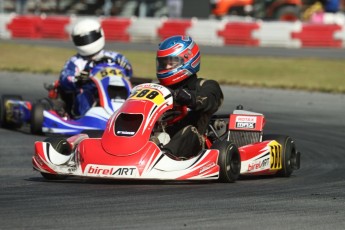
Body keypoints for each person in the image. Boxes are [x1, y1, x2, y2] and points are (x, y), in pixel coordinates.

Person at [155, 35, 224, 159]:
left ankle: (164, 158)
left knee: (189, 131)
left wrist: (189, 98)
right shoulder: (157, 88)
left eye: (171, 62)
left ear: (187, 59)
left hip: (193, 144)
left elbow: (208, 101)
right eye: (163, 63)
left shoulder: (206, 86)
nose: (166, 67)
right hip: (160, 138)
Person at [59, 18, 133, 117]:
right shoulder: (75, 61)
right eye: (82, 40)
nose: (87, 42)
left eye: (89, 38)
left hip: (117, 89)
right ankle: (85, 117)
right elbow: (64, 79)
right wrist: (78, 79)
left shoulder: (116, 57)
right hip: (91, 92)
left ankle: (130, 114)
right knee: (84, 95)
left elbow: (129, 73)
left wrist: (126, 67)